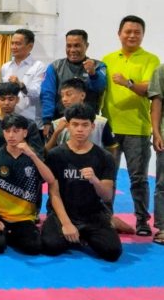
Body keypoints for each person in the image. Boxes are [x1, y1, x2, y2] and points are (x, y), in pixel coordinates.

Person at [102, 15, 160, 237]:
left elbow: (149, 88)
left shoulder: (151, 59)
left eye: (137, 32)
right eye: (128, 31)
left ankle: (142, 220)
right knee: (108, 178)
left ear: (143, 35)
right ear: (119, 34)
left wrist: (128, 83)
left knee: (139, 178)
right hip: (110, 129)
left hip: (138, 129)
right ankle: (106, 218)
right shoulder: (107, 59)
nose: (132, 35)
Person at [41, 104, 122, 261]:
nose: (80, 129)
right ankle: (78, 235)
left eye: (85, 125)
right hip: (63, 213)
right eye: (75, 124)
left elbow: (106, 196)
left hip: (92, 214)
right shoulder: (56, 155)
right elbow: (54, 193)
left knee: (112, 252)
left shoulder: (104, 157)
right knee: (49, 246)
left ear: (92, 127)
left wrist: (95, 180)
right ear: (68, 126)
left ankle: (86, 233)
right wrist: (66, 224)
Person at [0, 115, 57, 255]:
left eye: (16, 131)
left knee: (34, 248)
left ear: (25, 133)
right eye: (7, 131)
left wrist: (32, 155)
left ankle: (11, 235)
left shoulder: (32, 156)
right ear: (3, 132)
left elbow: (50, 179)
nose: (11, 135)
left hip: (24, 218)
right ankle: (3, 235)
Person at [41, 29, 106, 137]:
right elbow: (47, 94)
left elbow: (100, 88)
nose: (72, 50)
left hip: (88, 124)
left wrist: (93, 74)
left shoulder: (98, 66)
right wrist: (47, 121)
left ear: (86, 46)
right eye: (69, 46)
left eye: (77, 46)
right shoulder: (55, 67)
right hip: (61, 122)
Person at [0, 82, 44, 158]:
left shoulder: (29, 125)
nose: (6, 103)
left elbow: (39, 154)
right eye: (2, 99)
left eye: (11, 99)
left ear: (17, 100)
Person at [0, 29, 46, 128]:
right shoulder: (5, 67)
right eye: (12, 43)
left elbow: (37, 93)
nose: (13, 47)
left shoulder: (38, 66)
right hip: (9, 121)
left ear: (30, 46)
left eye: (18, 44)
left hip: (31, 121)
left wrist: (21, 85)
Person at [149, 62, 164, 244]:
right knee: (163, 183)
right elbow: (157, 102)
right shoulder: (161, 70)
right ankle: (163, 226)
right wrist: (156, 132)